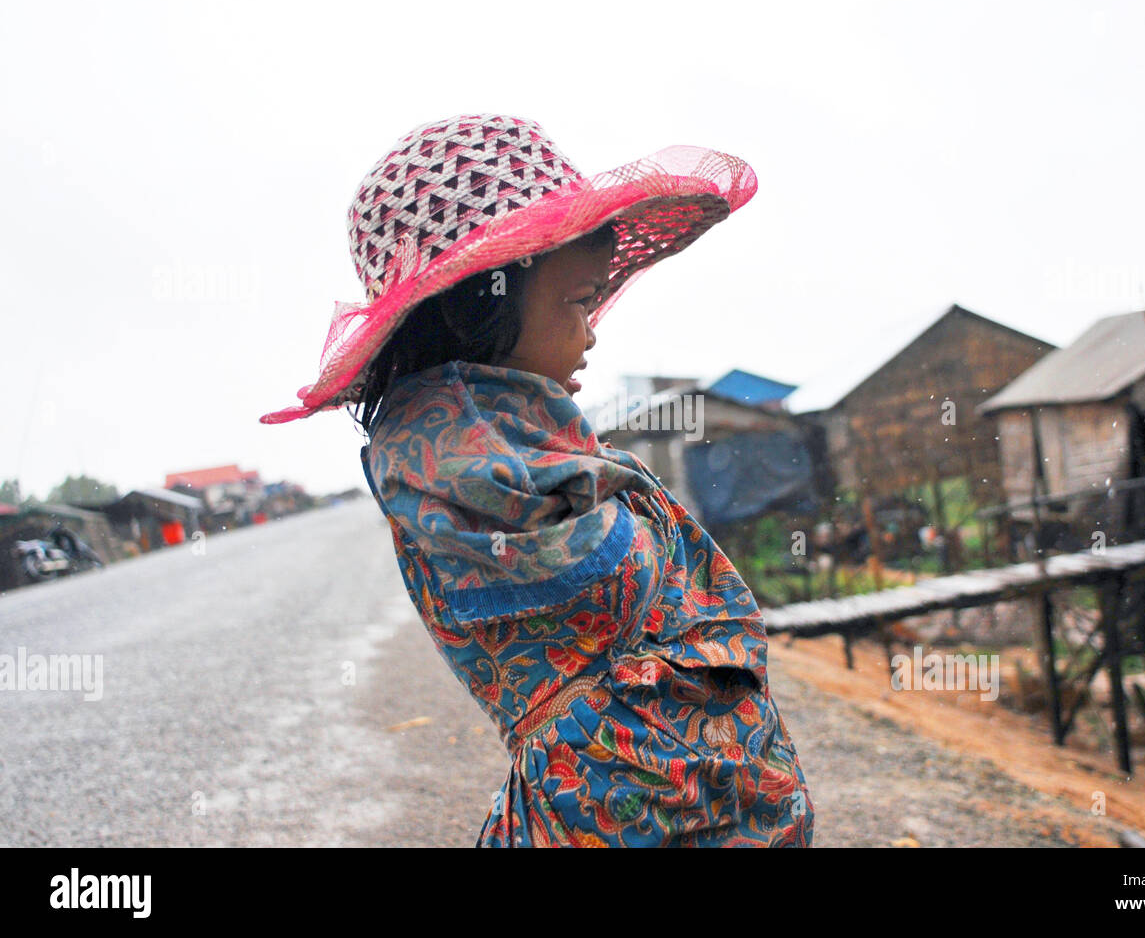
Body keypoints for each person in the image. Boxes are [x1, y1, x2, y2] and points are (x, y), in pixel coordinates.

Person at [261, 115, 814, 847]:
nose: (592, 330)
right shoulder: (451, 450)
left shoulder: (521, 431)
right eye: (578, 300)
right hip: (624, 810)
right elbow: (615, 567)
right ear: (480, 300)